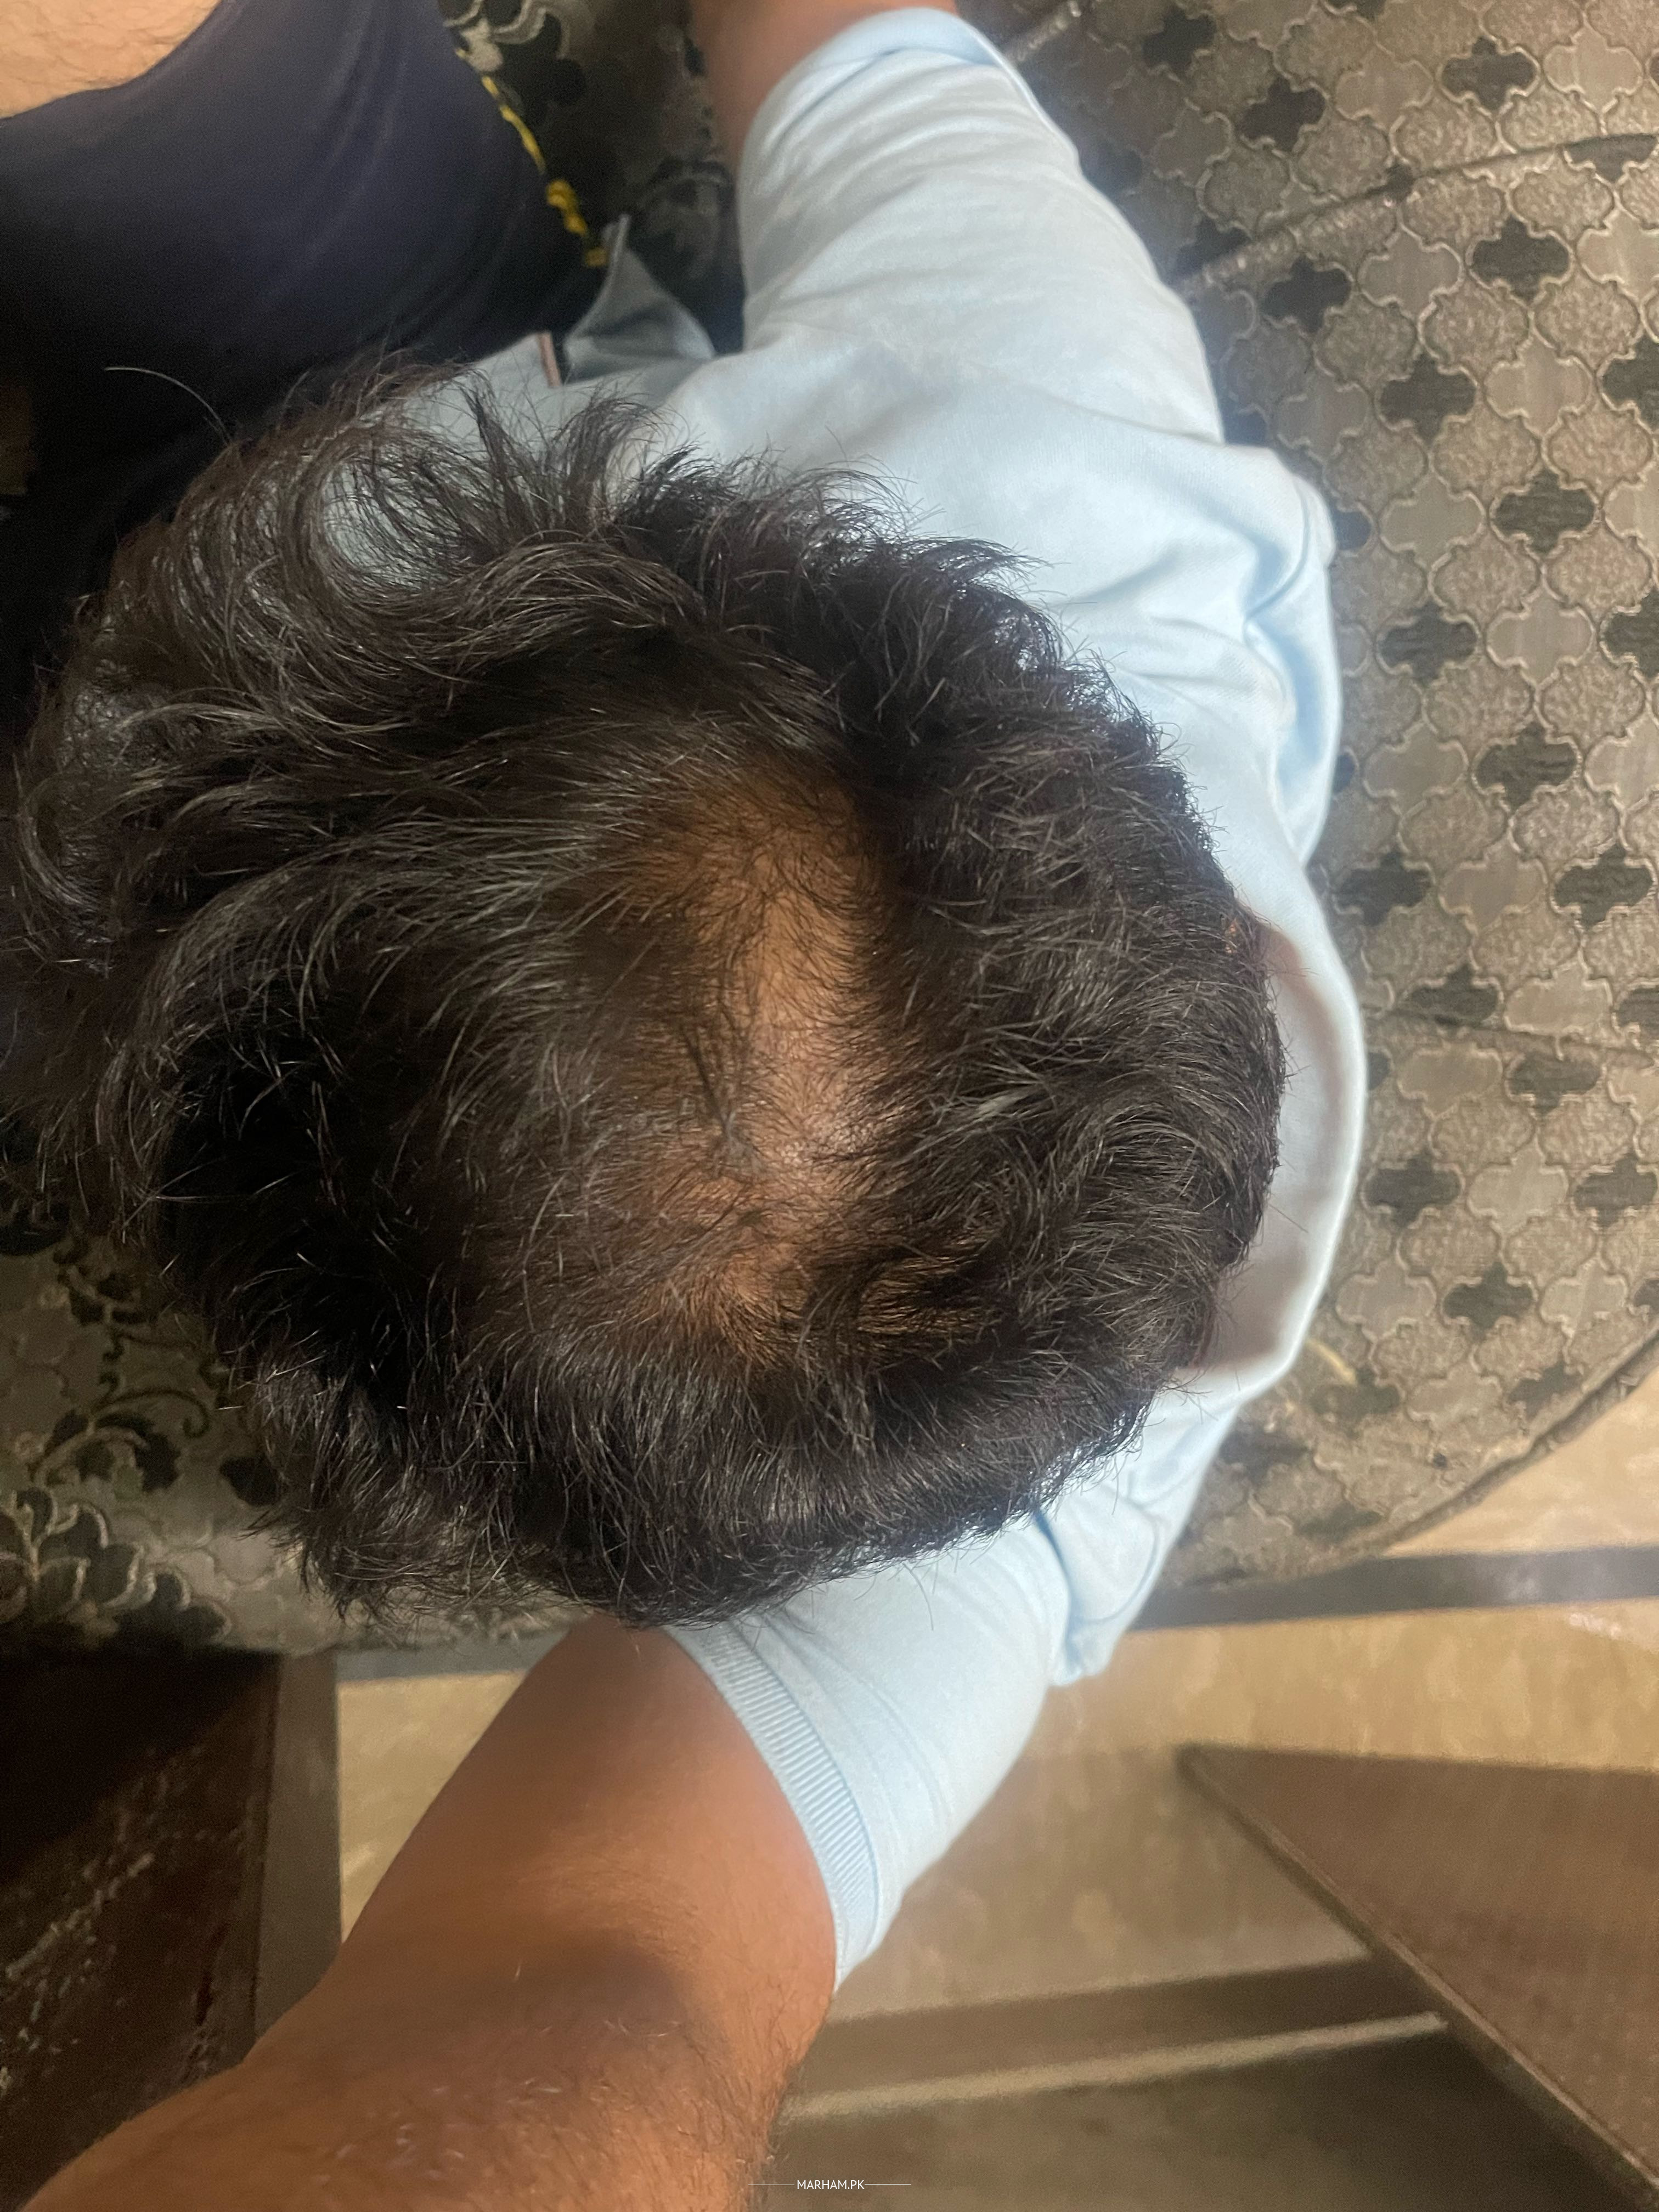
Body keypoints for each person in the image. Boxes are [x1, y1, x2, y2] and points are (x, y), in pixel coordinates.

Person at [7, 0, 1367, 2202]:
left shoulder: (956, 1489)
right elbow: (843, 42)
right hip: (422, 357)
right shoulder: (1045, 435)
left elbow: (602, 2005)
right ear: (790, 560)